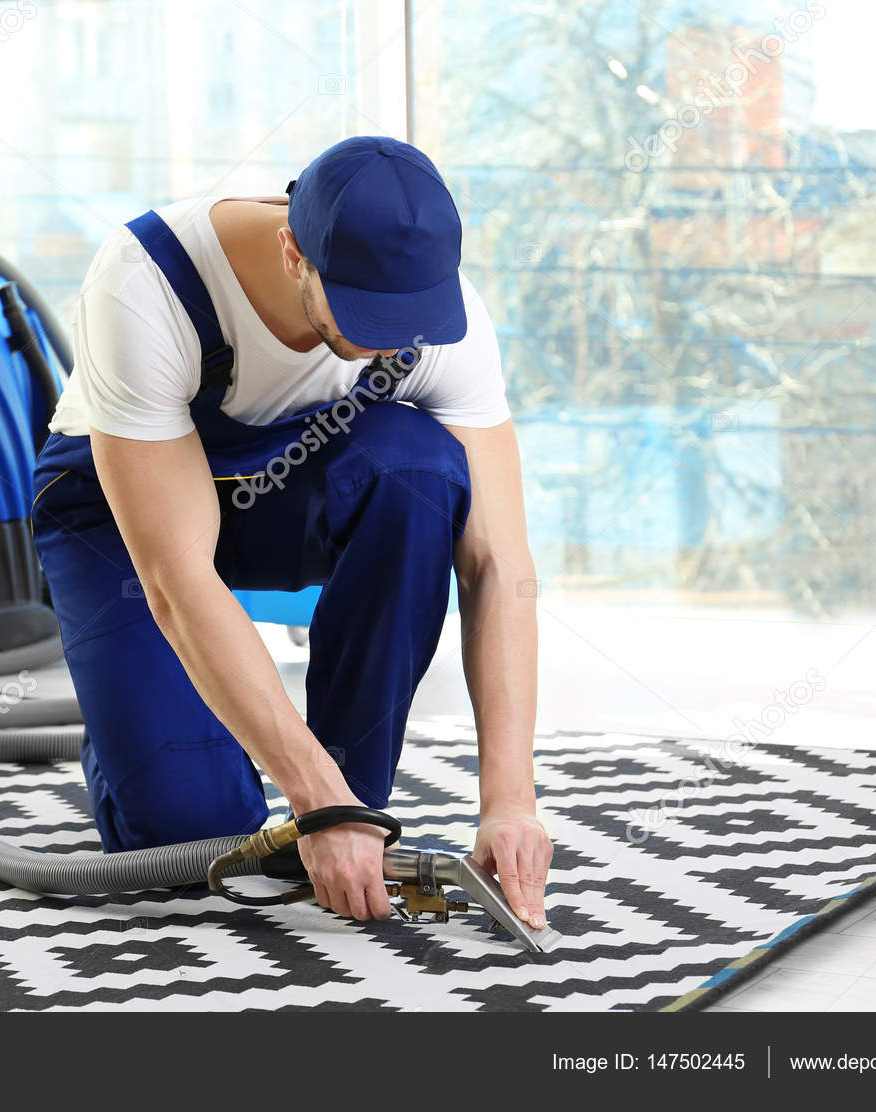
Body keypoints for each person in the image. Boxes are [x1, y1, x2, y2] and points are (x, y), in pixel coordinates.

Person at [32, 136, 549, 930]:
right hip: (121, 518)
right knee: (193, 837)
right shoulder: (144, 284)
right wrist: (307, 802)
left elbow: (498, 563)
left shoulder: (450, 319)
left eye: (406, 320)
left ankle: (349, 796)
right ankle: (153, 724)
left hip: (283, 495)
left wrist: (510, 799)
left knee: (419, 468)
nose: (387, 342)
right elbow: (177, 579)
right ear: (292, 252)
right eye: (366, 317)